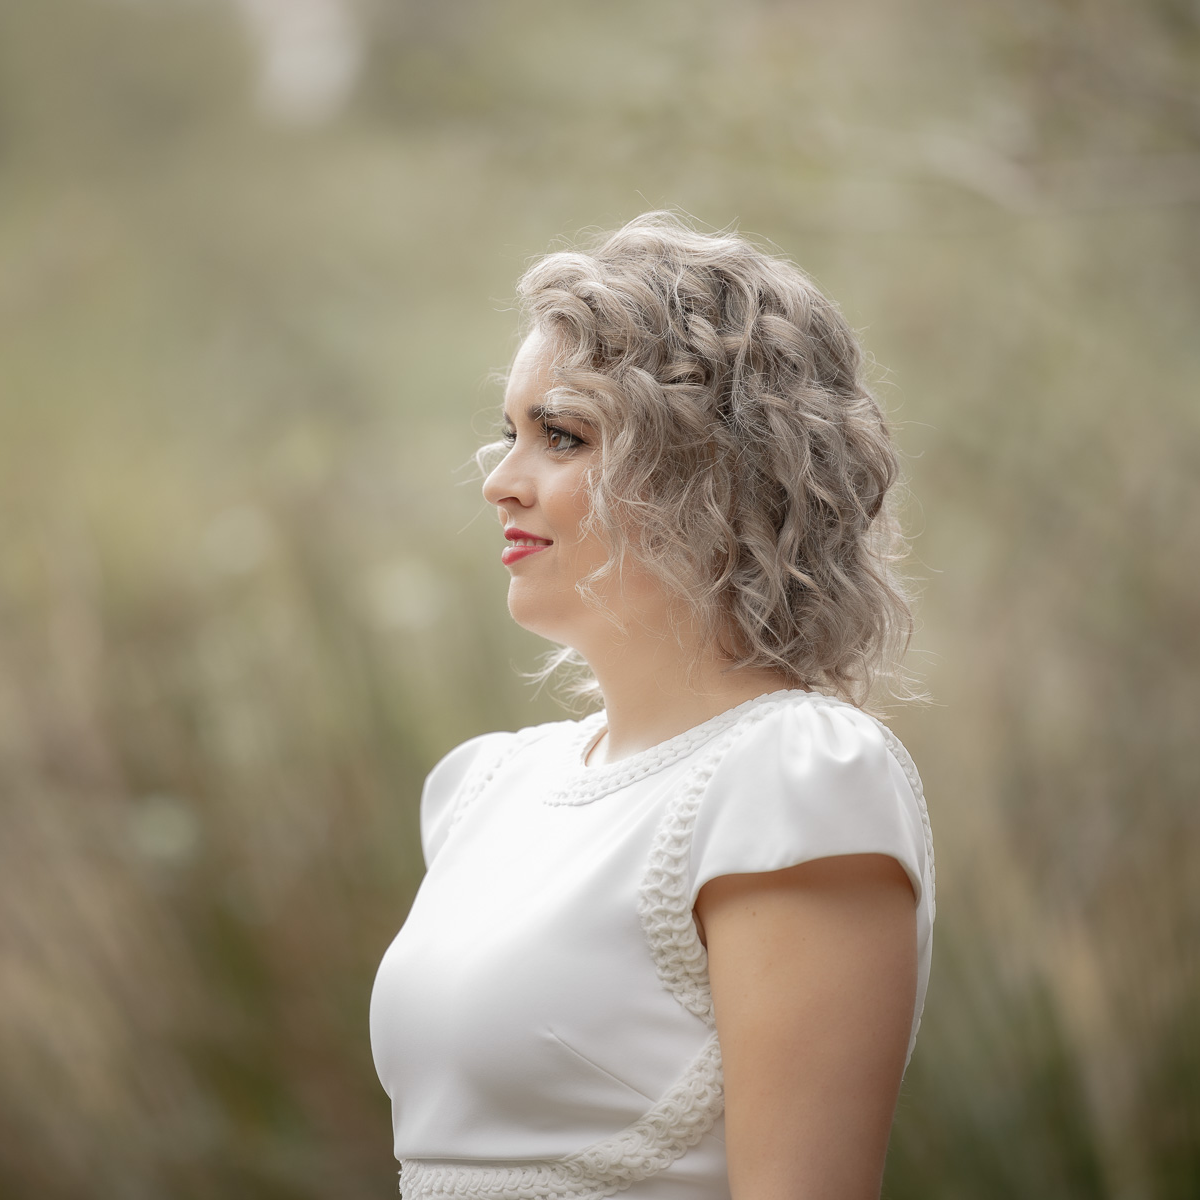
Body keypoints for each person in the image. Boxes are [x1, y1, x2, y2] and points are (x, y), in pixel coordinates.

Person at [368, 213, 934, 1200]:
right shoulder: (486, 788)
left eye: (563, 436)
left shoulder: (794, 779)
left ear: (711, 475)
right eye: (510, 434)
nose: (500, 482)